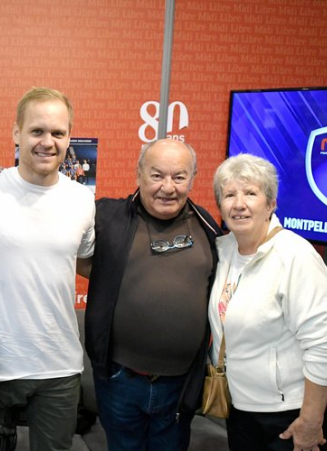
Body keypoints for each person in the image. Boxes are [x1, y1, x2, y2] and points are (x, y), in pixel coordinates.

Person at [0, 87, 95, 451]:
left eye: (58, 133)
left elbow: (89, 261)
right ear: (16, 133)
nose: (48, 142)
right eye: (37, 131)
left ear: (69, 137)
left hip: (59, 366)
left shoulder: (82, 200)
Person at [79, 139, 222, 450]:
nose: (167, 188)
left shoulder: (208, 227)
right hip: (120, 381)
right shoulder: (106, 217)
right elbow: (53, 215)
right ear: (139, 175)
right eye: (157, 175)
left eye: (179, 177)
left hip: (181, 384)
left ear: (193, 179)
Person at [210, 154, 327, 451]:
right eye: (229, 195)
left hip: (290, 414)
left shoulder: (295, 256)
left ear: (271, 204)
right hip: (241, 407)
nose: (239, 203)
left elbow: (326, 343)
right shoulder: (223, 250)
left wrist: (310, 420)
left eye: (251, 193)